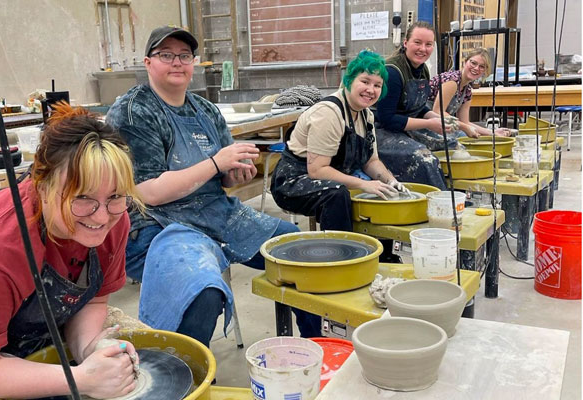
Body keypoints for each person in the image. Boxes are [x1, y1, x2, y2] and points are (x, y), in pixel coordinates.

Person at [106, 26, 321, 347]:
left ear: (194, 63)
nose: (177, 62)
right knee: (201, 294)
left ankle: (316, 347)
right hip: (156, 225)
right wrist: (218, 163)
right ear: (148, 63)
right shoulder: (134, 112)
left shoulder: (204, 110)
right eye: (166, 55)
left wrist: (235, 173)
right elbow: (146, 191)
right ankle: (186, 377)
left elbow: (223, 176)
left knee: (303, 254)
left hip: (216, 214)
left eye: (184, 56)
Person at [0, 103, 143, 399]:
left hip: (39, 339)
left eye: (115, 197)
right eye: (82, 198)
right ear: (41, 186)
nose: (100, 217)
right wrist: (79, 379)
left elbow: (93, 303)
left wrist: (89, 350)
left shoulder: (112, 220)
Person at [270, 50, 405, 261]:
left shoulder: (365, 114)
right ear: (350, 80)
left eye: (377, 85)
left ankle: (383, 257)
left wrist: (391, 181)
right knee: (338, 194)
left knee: (383, 191)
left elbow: (371, 161)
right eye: (365, 81)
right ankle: (340, 259)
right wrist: (363, 185)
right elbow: (317, 170)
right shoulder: (329, 113)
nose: (371, 90)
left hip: (333, 174)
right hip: (293, 180)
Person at [376, 21, 455, 190]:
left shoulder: (423, 68)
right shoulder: (392, 71)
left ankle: (455, 194)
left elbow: (417, 107)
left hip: (406, 128)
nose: (423, 49)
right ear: (406, 43)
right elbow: (387, 118)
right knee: (425, 159)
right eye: (417, 42)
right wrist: (429, 124)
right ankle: (436, 203)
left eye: (428, 44)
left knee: (453, 145)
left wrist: (438, 119)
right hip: (381, 131)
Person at [429, 48, 511, 138]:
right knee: (462, 136)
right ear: (465, 62)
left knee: (467, 136)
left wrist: (492, 133)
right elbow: (438, 112)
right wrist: (465, 128)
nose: (476, 68)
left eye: (482, 66)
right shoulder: (452, 81)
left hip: (439, 124)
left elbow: (465, 121)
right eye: (473, 63)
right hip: (423, 122)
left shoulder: (467, 90)